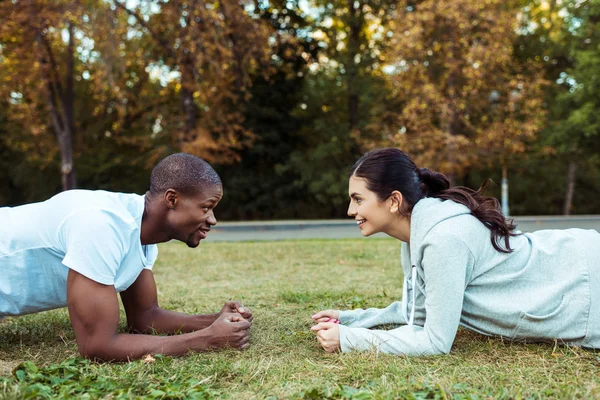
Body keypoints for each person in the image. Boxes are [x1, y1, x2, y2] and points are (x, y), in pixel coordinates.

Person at [311, 148, 600, 355]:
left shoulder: (443, 240)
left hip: (583, 283)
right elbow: (419, 313)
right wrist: (351, 319)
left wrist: (349, 340)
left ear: (394, 201)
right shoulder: (417, 234)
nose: (351, 210)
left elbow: (435, 341)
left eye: (358, 199)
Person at [0, 153, 252, 361]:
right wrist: (208, 340)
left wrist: (214, 321)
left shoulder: (139, 234)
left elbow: (145, 317)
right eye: (206, 207)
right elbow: (96, 347)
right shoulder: (103, 225)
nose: (213, 219)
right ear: (172, 199)